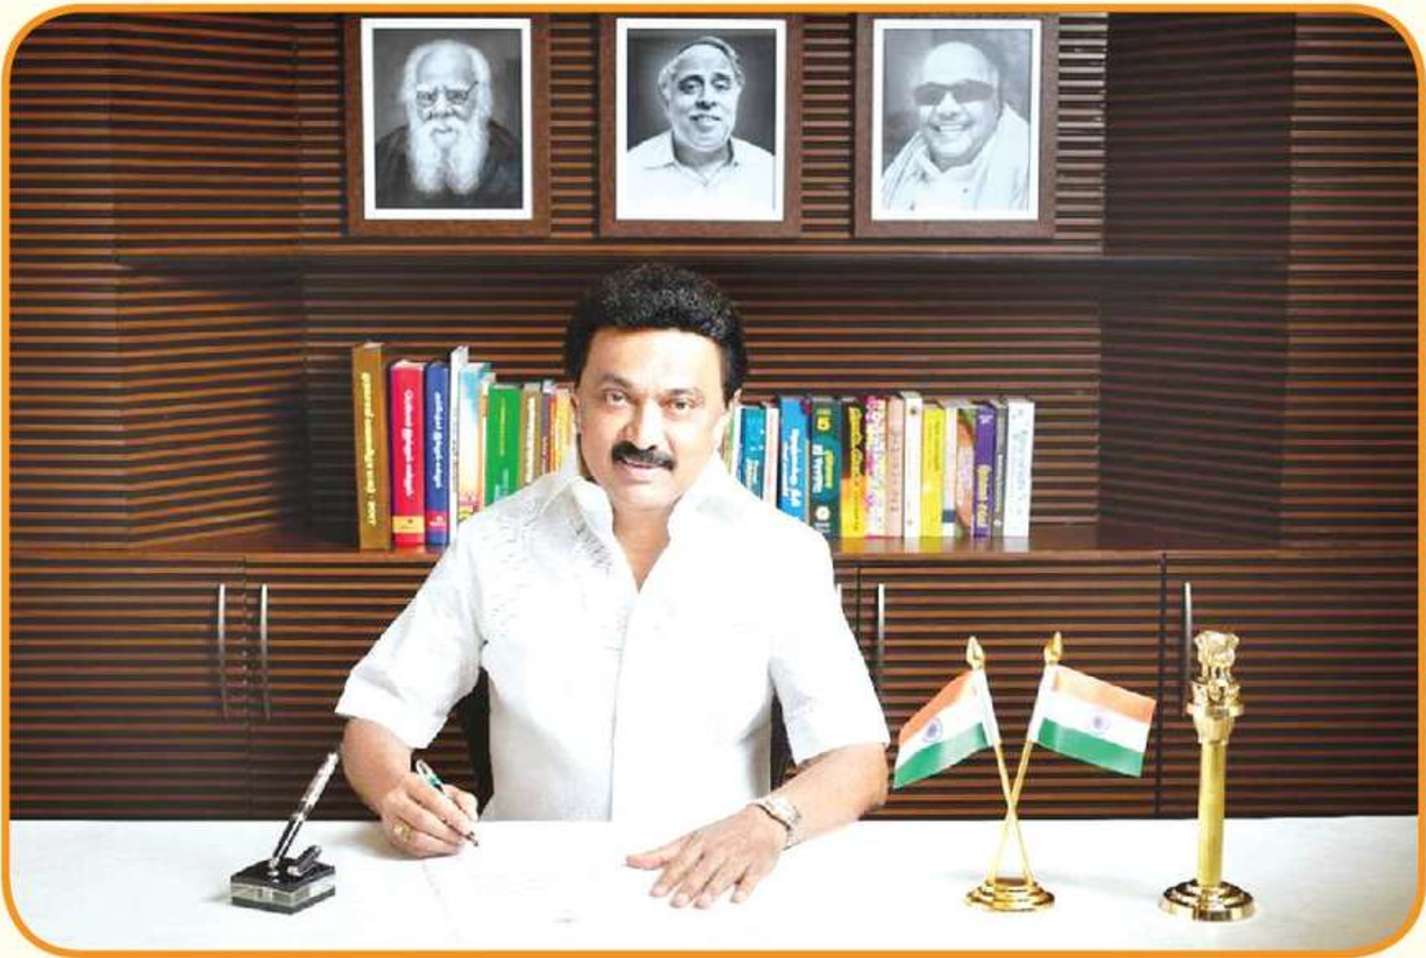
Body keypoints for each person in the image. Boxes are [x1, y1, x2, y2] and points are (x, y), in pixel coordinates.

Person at [336, 263, 889, 909]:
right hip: (522, 894)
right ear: (576, 403)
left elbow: (858, 760)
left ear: (725, 414)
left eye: (679, 404)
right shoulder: (493, 542)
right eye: (616, 397)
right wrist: (397, 794)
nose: (643, 436)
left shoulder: (782, 555)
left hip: (711, 897)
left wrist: (769, 822)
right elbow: (377, 718)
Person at [622, 37, 778, 219]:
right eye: (690, 87)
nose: (707, 99)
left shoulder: (770, 171)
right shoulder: (628, 171)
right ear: (667, 99)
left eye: (721, 86)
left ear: (736, 95)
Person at [880, 38, 1031, 214]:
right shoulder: (903, 166)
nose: (946, 110)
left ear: (997, 100)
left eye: (966, 92)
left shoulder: (1031, 170)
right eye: (931, 94)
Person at [373, 38, 522, 210]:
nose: (441, 109)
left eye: (456, 95)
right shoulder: (384, 157)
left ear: (479, 96)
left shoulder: (513, 161)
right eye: (427, 96)